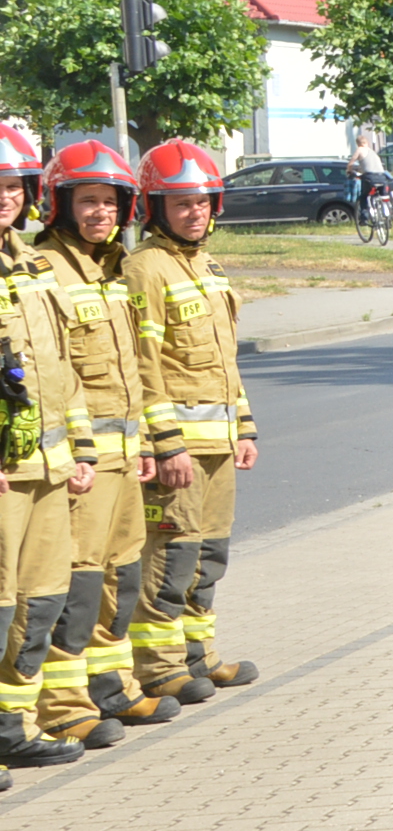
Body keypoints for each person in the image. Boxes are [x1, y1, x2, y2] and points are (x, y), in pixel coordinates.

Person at [39, 140, 173, 731]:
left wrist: (143, 444)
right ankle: (63, 707)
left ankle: (111, 688)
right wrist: (77, 453)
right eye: (88, 201)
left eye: (111, 202)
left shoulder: (114, 270)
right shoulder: (47, 268)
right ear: (61, 205)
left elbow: (133, 370)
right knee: (79, 582)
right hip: (82, 462)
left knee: (122, 577)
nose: (101, 212)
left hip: (124, 459)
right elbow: (56, 371)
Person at [122, 140, 258, 700]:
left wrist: (243, 428)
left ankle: (200, 655)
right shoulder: (144, 269)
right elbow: (143, 366)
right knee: (170, 557)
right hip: (177, 449)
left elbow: (226, 360)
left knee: (208, 556)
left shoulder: (208, 266)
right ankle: (159, 667)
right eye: (181, 204)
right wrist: (166, 444)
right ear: (155, 208)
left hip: (219, 445)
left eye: (201, 202)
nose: (194, 212)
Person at [0, 121, 106, 764]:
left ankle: (11, 728)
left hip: (46, 467)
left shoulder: (33, 267)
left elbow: (64, 369)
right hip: (5, 474)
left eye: (12, 185)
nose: (5, 197)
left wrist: (81, 451)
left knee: (39, 603)